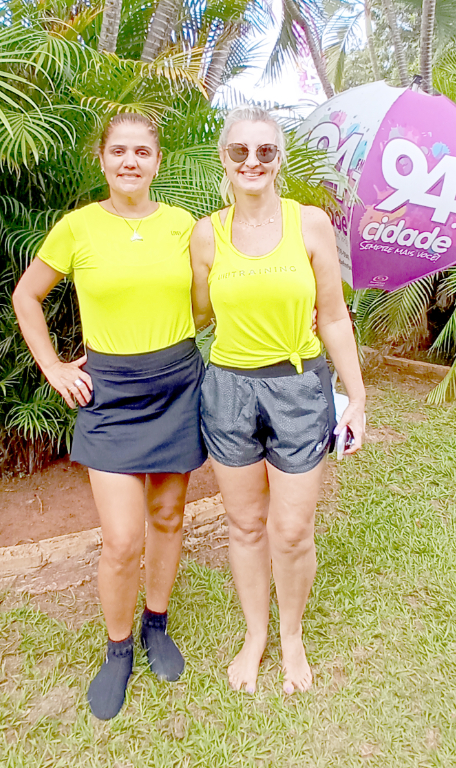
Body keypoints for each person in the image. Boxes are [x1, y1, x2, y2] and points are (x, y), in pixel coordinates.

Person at [12, 113, 206, 720]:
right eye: (119, 150)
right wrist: (53, 367)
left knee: (170, 518)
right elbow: (27, 296)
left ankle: (156, 624)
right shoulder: (77, 228)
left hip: (178, 383)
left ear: (158, 160)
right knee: (122, 539)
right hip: (112, 396)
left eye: (142, 151)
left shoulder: (184, 226)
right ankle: (118, 647)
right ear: (102, 159)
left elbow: (212, 298)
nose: (130, 161)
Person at [190, 105, 365, 696]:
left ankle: (291, 635)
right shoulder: (206, 234)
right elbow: (195, 314)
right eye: (240, 151)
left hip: (298, 387)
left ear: (278, 158)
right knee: (244, 525)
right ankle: (255, 633)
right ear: (225, 158)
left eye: (265, 151)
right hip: (229, 390)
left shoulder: (309, 224)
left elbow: (335, 318)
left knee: (291, 530)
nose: (252, 162)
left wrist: (358, 398)